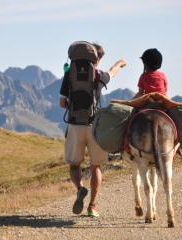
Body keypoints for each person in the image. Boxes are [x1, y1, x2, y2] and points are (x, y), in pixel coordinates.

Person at [59, 43, 126, 217]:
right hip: (94, 126)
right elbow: (112, 72)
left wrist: (72, 107)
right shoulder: (98, 76)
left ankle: (81, 188)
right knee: (95, 167)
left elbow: (62, 103)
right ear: (97, 60)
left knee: (74, 166)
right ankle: (92, 207)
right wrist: (119, 64)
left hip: (75, 125)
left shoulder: (69, 75)